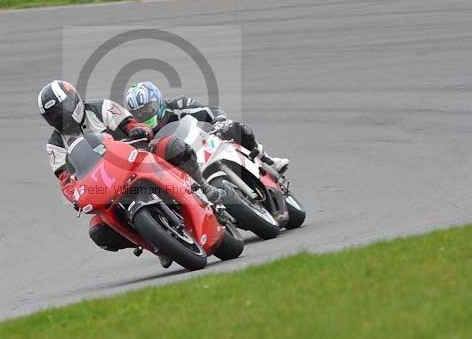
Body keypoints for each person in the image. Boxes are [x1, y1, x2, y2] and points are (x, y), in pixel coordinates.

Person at [38, 80, 163, 260]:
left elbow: (132, 124)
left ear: (74, 101)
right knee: (99, 231)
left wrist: (138, 131)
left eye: (61, 110)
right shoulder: (54, 145)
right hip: (106, 189)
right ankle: (153, 242)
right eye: (53, 116)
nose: (59, 118)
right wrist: (75, 196)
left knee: (172, 147)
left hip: (134, 161)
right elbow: (65, 179)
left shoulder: (102, 108)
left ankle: (204, 189)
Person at [124, 81, 290, 174]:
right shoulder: (139, 132)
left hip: (200, 144)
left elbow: (211, 111)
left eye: (148, 108)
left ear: (158, 101)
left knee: (236, 128)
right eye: (140, 113)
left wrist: (219, 121)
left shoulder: (178, 105)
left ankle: (267, 160)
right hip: (179, 165)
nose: (145, 114)